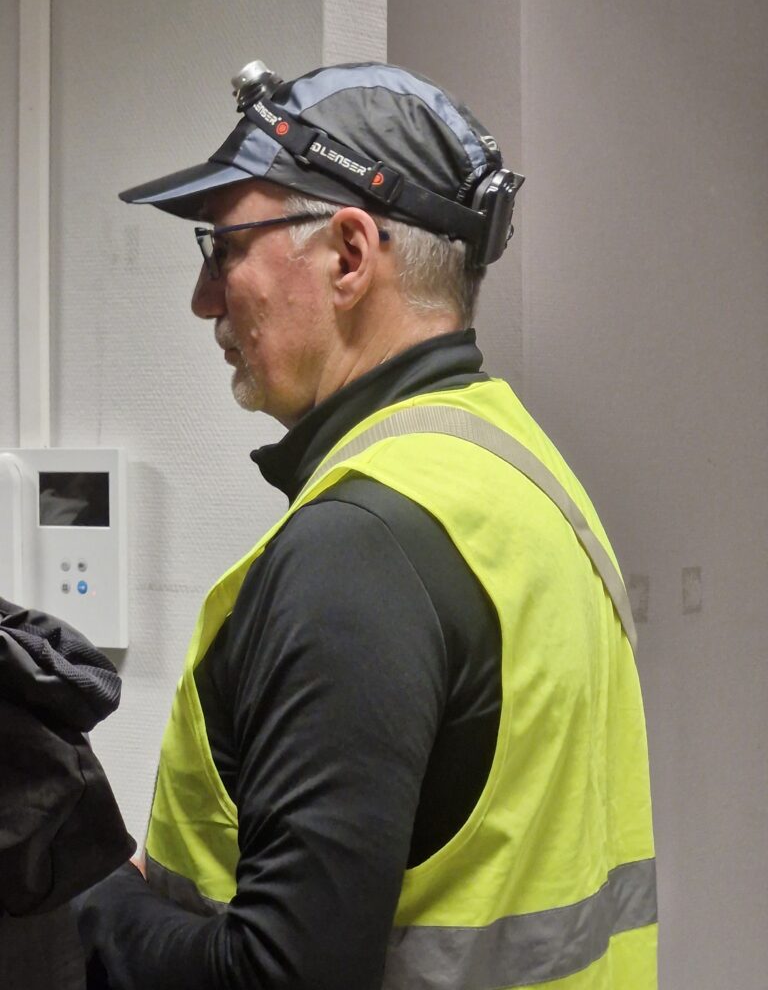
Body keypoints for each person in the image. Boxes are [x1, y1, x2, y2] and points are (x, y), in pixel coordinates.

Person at [75, 61, 657, 989]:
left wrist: (101, 903)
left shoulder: (357, 547)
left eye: (223, 250)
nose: (205, 300)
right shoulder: (525, 475)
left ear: (349, 256)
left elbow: (281, 974)